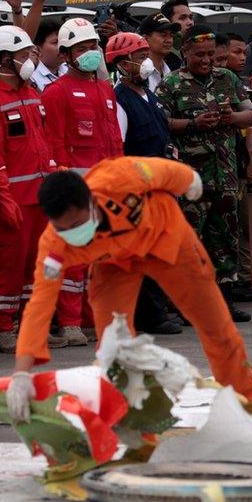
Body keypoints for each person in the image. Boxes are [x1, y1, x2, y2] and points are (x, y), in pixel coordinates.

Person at [4, 158, 252, 421]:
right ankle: (133, 417)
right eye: (63, 229)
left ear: (91, 202)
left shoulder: (118, 178)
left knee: (216, 328)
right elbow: (40, 305)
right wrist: (21, 373)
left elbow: (164, 172)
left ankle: (246, 401)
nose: (71, 234)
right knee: (113, 347)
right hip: (113, 264)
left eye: (77, 225)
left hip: (168, 241)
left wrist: (190, 181)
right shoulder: (55, 245)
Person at [0, 25, 65, 352]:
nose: (30, 60)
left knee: (35, 263)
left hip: (39, 198)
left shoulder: (32, 94)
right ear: (4, 60)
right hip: (10, 199)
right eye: (24, 55)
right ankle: (2, 327)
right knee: (7, 264)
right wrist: (3, 197)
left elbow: (45, 143)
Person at [158, 25, 252, 320]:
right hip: (191, 179)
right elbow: (161, 121)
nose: (206, 60)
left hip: (225, 174)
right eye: (199, 54)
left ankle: (224, 300)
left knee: (225, 237)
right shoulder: (171, 84)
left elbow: (251, 112)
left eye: (211, 54)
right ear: (185, 51)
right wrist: (192, 124)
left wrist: (232, 117)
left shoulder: (226, 78)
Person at [42, 17, 123, 344]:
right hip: (76, 189)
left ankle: (94, 320)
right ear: (66, 54)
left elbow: (113, 137)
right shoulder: (56, 92)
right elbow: (54, 142)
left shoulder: (105, 88)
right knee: (73, 260)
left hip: (106, 186)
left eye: (94, 46)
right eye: (82, 48)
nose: (91, 52)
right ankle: (71, 324)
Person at [107, 32, 183, 336]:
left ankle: (157, 309)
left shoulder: (149, 95)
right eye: (140, 58)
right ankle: (148, 316)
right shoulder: (120, 100)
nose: (146, 63)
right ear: (123, 64)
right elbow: (120, 146)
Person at [140, 13, 180, 90]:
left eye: (171, 35)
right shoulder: (136, 72)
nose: (169, 40)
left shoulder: (173, 67)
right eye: (163, 35)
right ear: (145, 38)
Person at [31, 18, 66, 92]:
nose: (62, 46)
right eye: (55, 42)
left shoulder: (69, 70)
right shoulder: (31, 77)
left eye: (62, 41)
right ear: (37, 49)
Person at [161, 0, 194, 70]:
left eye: (191, 17)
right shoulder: (161, 56)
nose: (190, 22)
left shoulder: (194, 51)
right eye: (182, 18)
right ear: (168, 23)